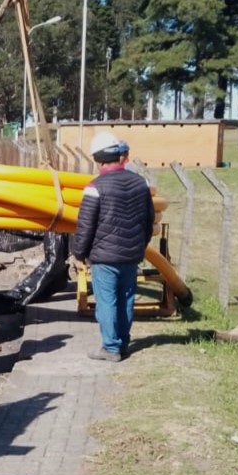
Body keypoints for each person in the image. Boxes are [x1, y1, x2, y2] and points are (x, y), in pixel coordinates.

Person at [72, 132, 153, 362]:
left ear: (98, 160)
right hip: (131, 255)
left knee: (107, 301)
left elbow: (85, 226)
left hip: (104, 257)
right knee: (126, 298)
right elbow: (148, 220)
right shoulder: (141, 183)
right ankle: (123, 343)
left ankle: (110, 347)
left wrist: (79, 253)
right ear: (118, 156)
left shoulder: (95, 187)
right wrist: (140, 246)